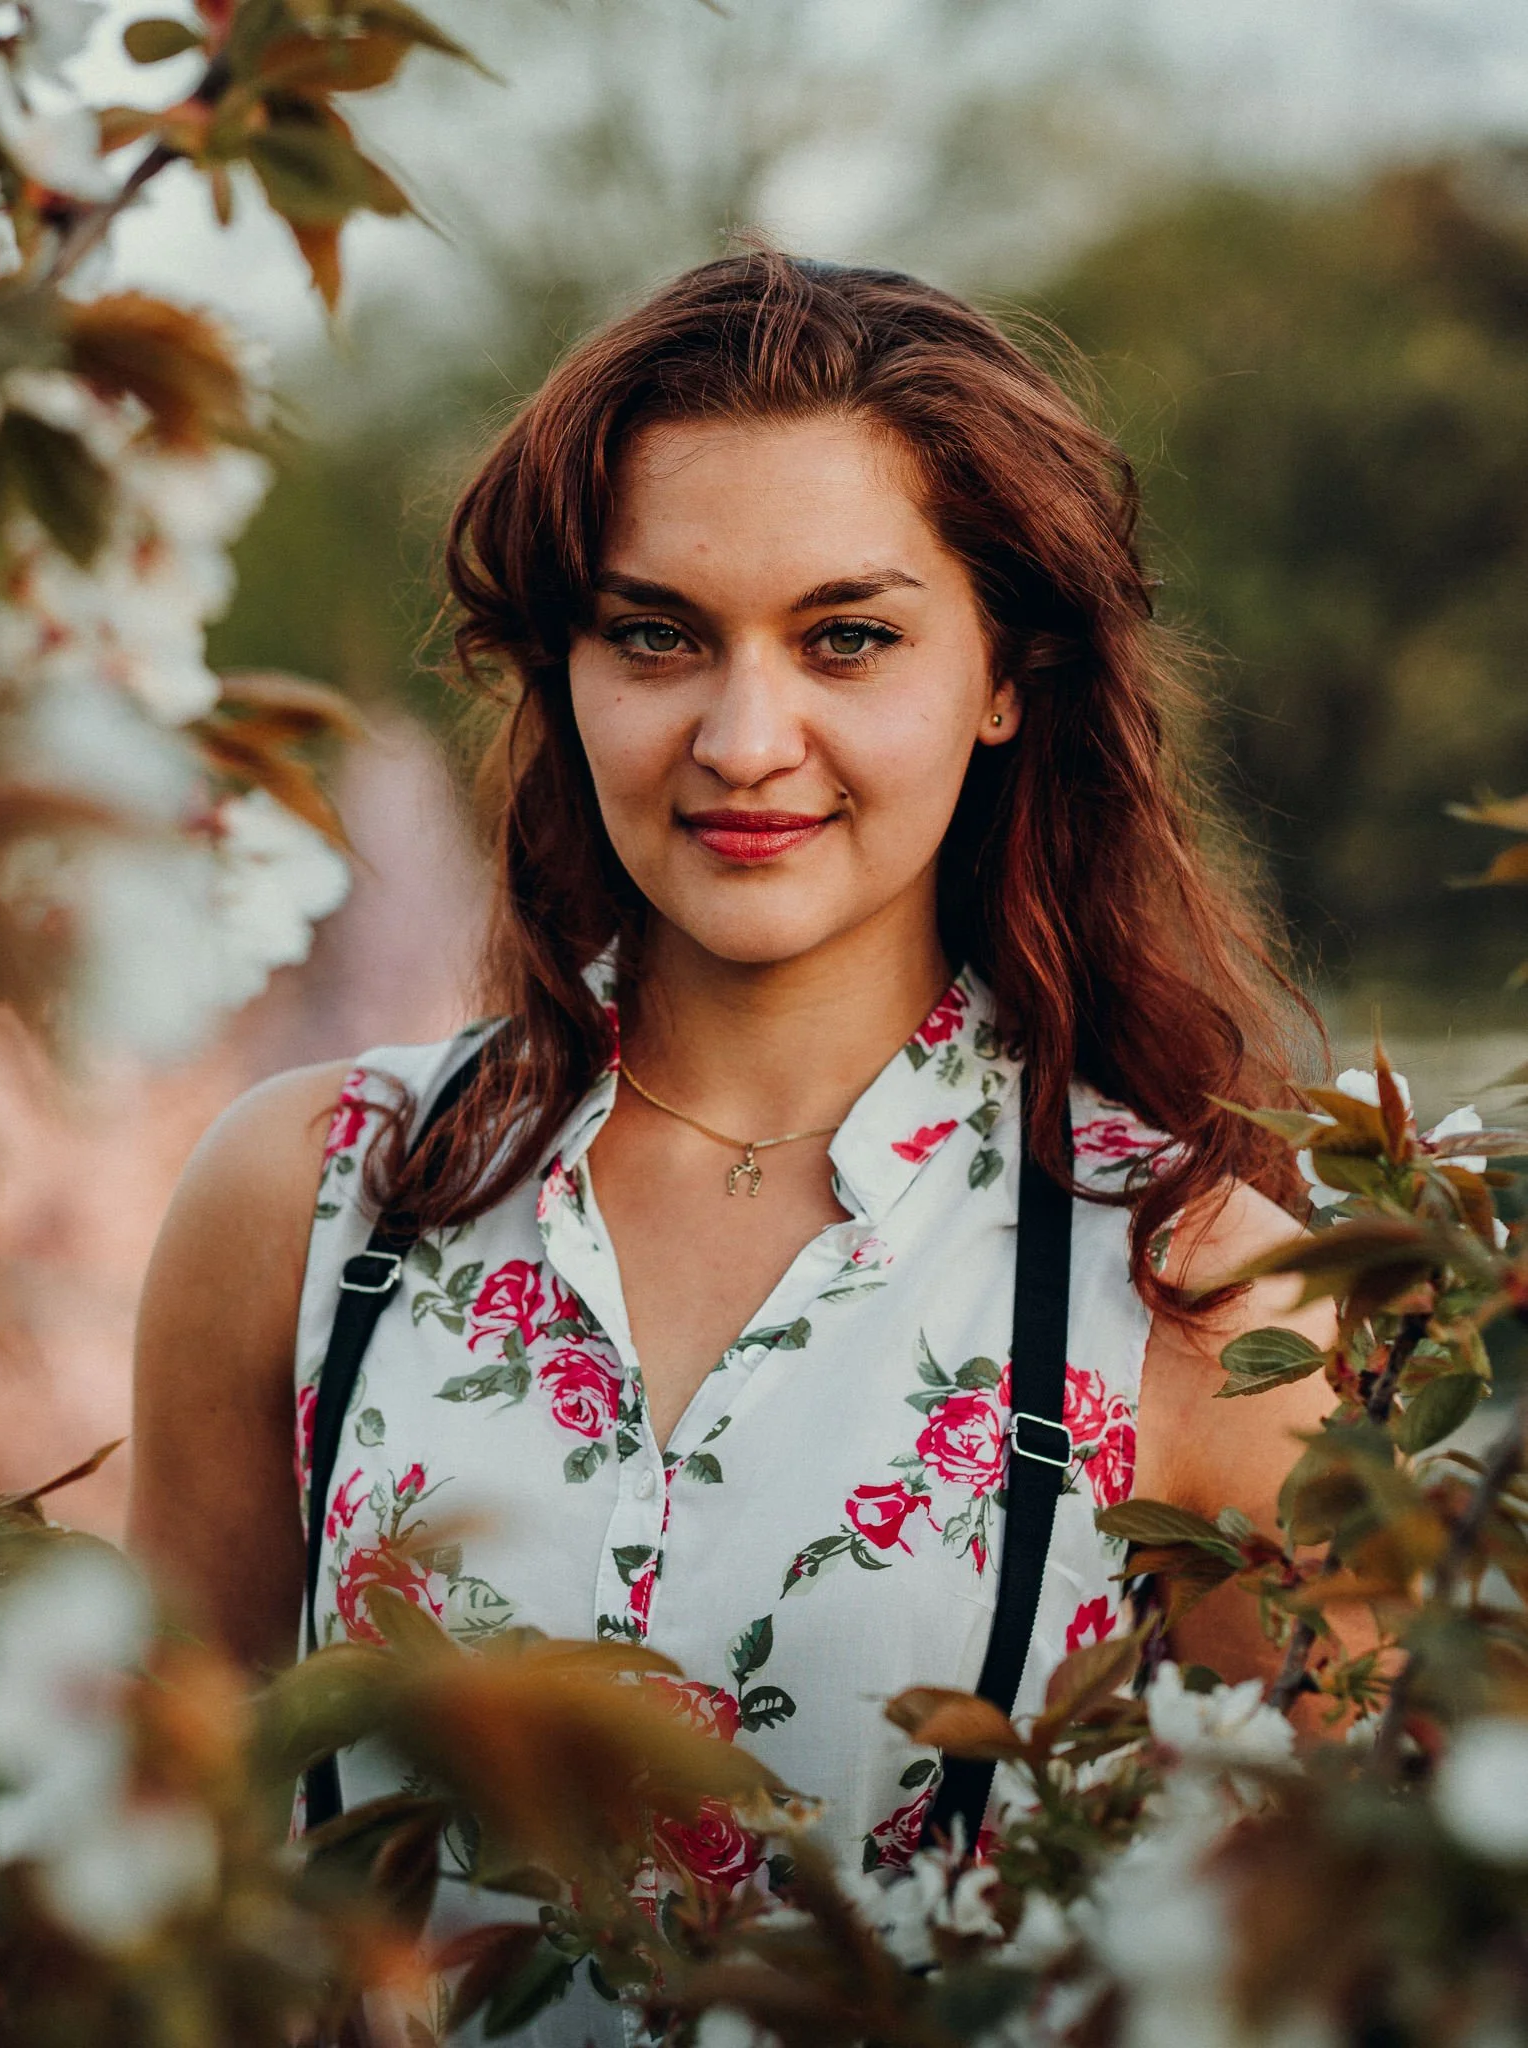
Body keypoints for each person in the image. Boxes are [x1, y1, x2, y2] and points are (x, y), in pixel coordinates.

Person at [131, 248, 1332, 1956]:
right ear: (563, 670)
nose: (745, 735)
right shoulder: (313, 1196)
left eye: (847, 639)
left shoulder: (1197, 1290)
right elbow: (134, 1861)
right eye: (656, 635)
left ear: (1003, 677)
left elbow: (1355, 1952)